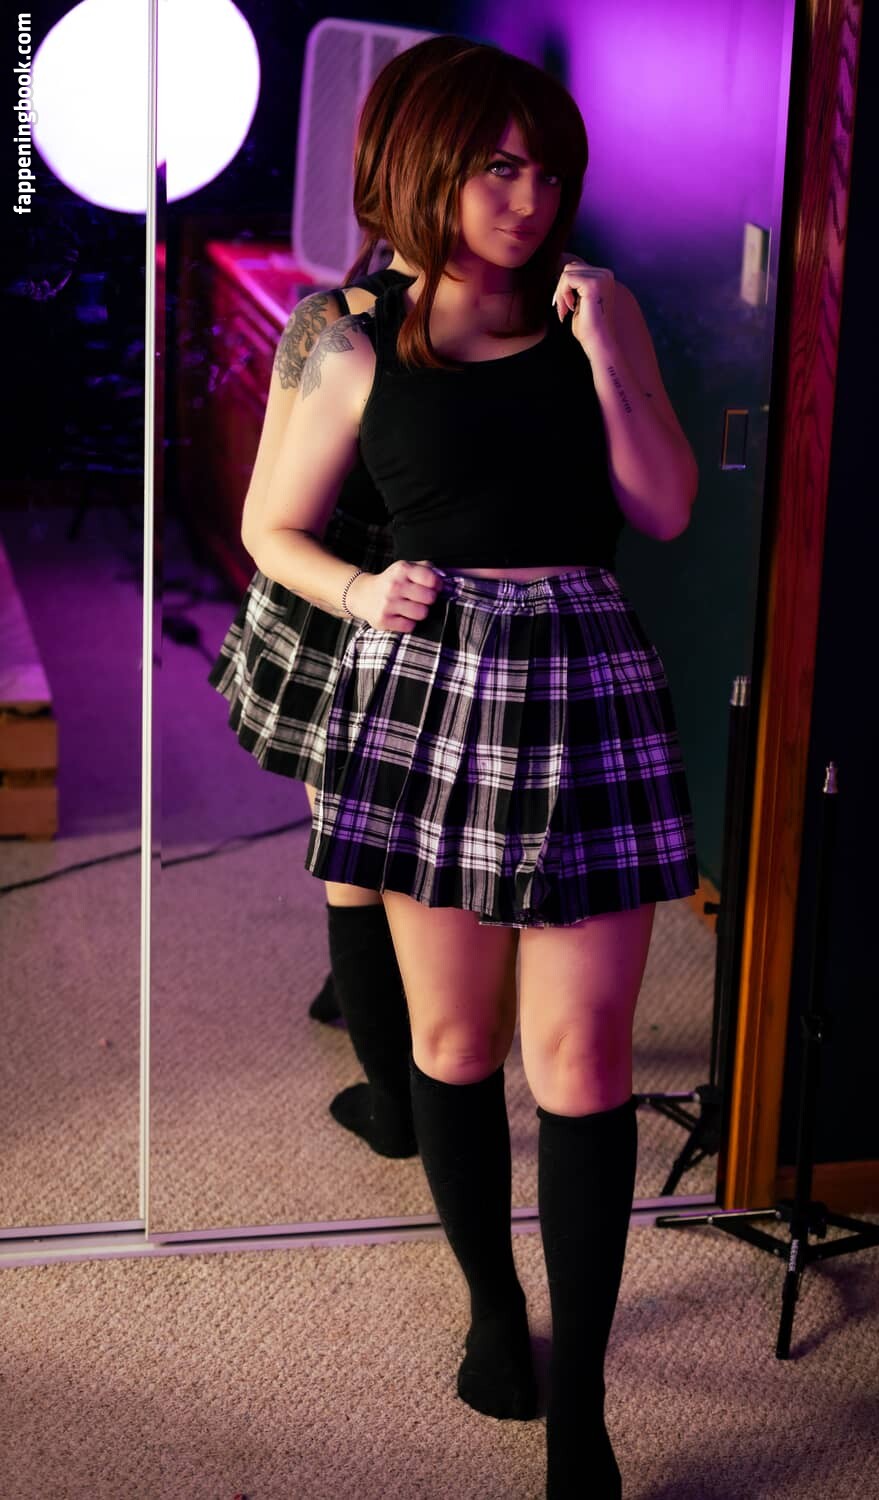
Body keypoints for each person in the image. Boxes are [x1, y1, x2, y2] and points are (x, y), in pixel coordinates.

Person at [243, 39, 699, 1500]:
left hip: (589, 684)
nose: (529, 195)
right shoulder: (345, 334)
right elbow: (270, 528)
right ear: (424, 166)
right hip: (428, 688)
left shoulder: (593, 311)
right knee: (452, 1043)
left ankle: (583, 1408)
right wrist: (361, 590)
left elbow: (666, 509)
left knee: (586, 1059)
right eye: (499, 165)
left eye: (548, 169)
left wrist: (613, 353)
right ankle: (493, 1308)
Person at [209, 36, 474, 1160]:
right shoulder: (340, 321)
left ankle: (394, 1097)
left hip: (422, 600)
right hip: (346, 589)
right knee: (359, 850)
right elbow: (270, 521)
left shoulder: (358, 313)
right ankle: (384, 1067)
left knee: (361, 863)